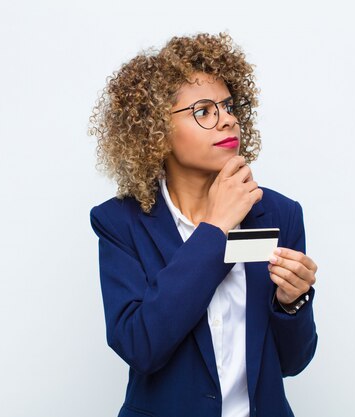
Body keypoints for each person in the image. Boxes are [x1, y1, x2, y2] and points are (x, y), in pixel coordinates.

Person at [88, 32, 318, 417]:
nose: (227, 119)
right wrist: (213, 230)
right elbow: (141, 346)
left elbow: (293, 362)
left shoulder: (279, 213)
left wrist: (292, 303)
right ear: (156, 131)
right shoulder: (119, 223)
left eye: (228, 107)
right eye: (205, 111)